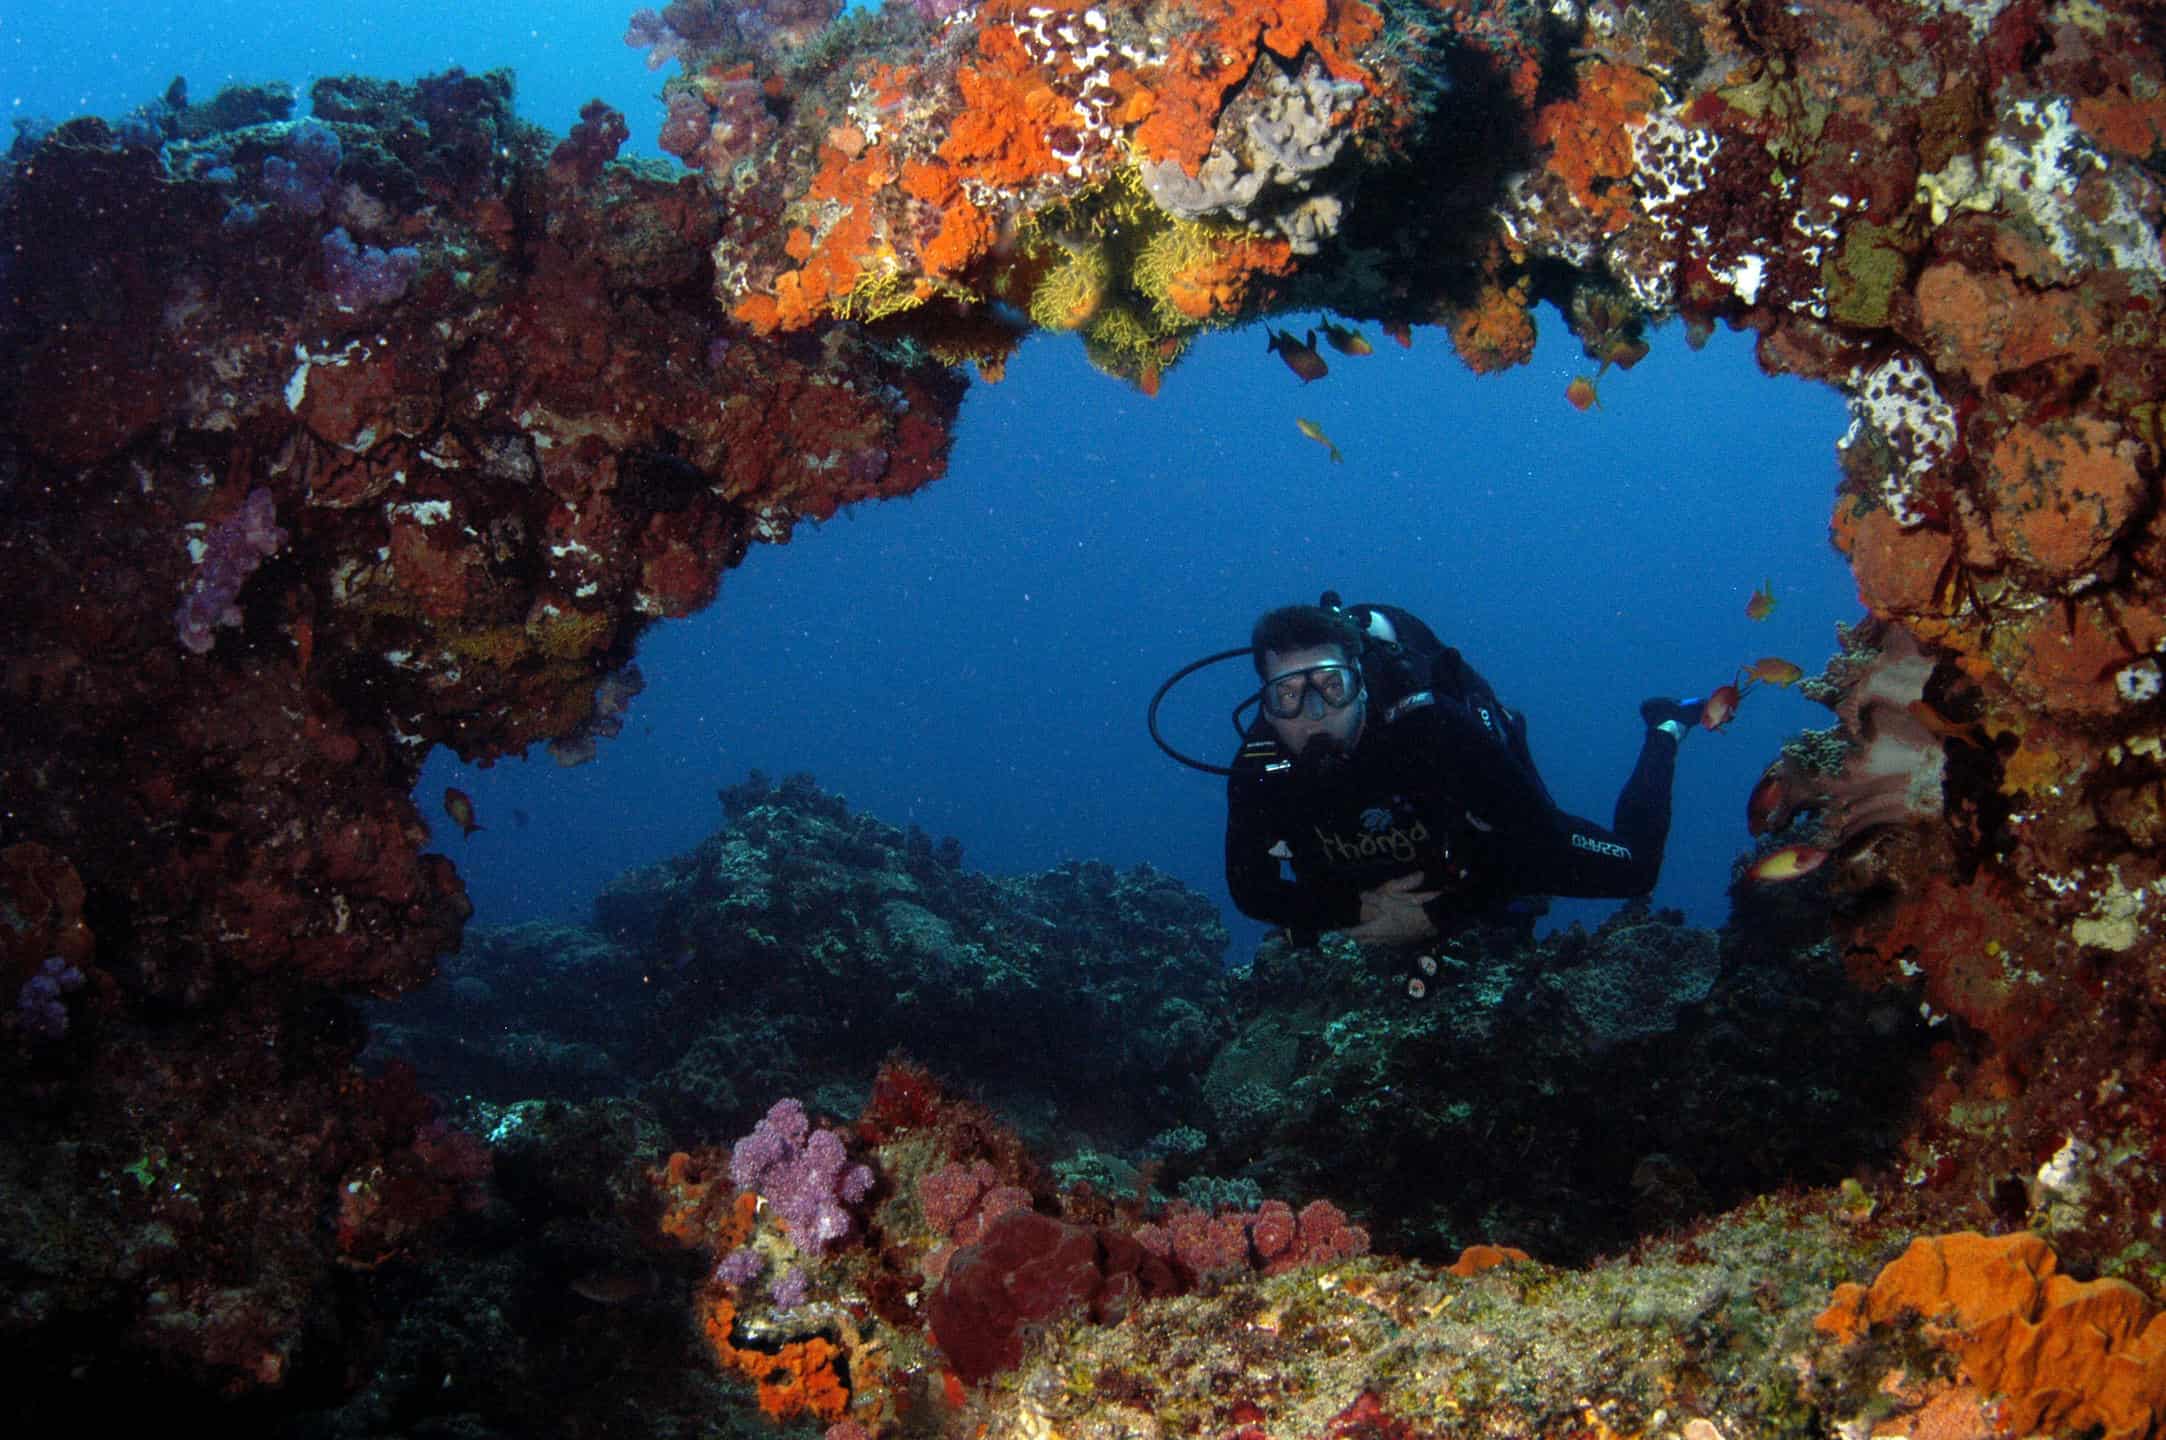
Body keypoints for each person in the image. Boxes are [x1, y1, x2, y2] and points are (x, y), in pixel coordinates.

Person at [1224, 598, 1703, 947]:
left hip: (1476, 836)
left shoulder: (1429, 727)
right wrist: (1355, 912)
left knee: (1636, 870)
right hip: (1378, 868)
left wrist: (1437, 914)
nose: (1314, 712)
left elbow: (1533, 833)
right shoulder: (1259, 767)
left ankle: (1665, 728)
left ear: (1362, 682)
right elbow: (1251, 888)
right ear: (1264, 702)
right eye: (1287, 694)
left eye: (1333, 685)